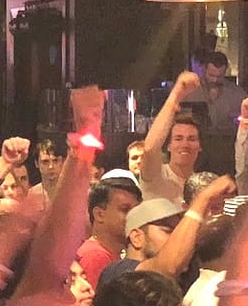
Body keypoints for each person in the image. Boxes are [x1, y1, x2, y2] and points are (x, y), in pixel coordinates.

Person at [137, 71, 204, 203]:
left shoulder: (202, 184)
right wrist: (176, 94)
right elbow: (150, 149)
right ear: (168, 146)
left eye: (191, 139)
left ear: (200, 146)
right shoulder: (156, 175)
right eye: (178, 138)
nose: (185, 144)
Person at [74, 178, 141, 291]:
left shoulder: (105, 254)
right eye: (125, 209)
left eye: (136, 211)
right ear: (99, 214)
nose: (134, 216)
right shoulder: (95, 257)